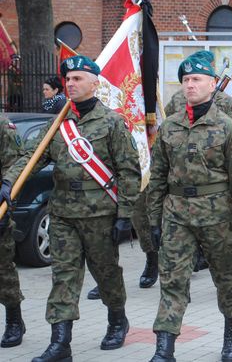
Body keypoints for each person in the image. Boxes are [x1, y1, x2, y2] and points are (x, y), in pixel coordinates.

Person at [3, 55, 141, 360]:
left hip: (100, 214)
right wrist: (8, 183)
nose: (71, 83)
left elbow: (130, 172)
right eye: (68, 79)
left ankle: (117, 319)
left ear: (95, 83)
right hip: (63, 213)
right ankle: (60, 343)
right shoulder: (58, 126)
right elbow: (31, 157)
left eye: (78, 78)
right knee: (64, 276)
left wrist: (125, 217)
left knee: (106, 274)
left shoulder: (112, 122)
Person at [147, 55, 232, 362]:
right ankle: (164, 348)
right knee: (172, 279)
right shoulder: (170, 126)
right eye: (185, 80)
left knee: (225, 278)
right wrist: (154, 221)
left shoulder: (227, 127)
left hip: (217, 214)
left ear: (212, 84)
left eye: (196, 80)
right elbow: (157, 178)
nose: (190, 85)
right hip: (176, 214)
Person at [0, 115, 26, 348]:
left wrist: (6, 208)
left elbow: (15, 167)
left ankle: (14, 320)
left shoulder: (2, 125)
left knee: (3, 270)